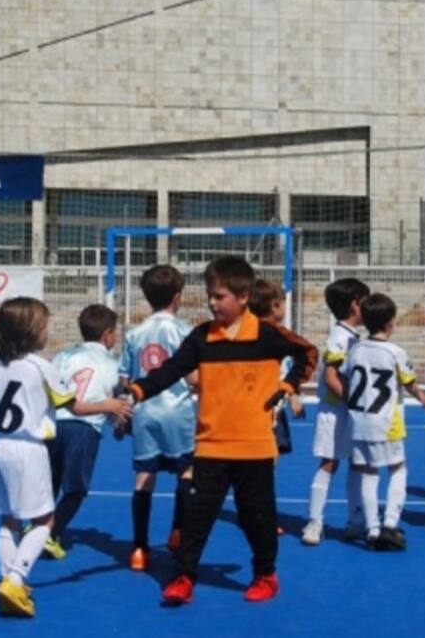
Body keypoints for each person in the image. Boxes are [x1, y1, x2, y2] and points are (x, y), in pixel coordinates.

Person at [129, 256, 315, 605]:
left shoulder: (268, 335)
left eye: (220, 297)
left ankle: (265, 574)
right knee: (197, 518)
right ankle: (184, 576)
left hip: (255, 447)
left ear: (243, 297)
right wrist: (138, 392)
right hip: (211, 445)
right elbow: (170, 371)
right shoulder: (201, 338)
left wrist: (290, 386)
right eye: (210, 296)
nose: (212, 303)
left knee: (256, 517)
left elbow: (308, 352)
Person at [0, 297, 76, 618]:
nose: (47, 331)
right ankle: (16, 578)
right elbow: (74, 406)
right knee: (45, 520)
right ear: (32, 332)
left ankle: (7, 580)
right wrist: (111, 406)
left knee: (8, 520)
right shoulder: (42, 368)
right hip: (29, 450)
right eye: (44, 325)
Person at [117, 264, 197, 572]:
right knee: (187, 472)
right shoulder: (185, 330)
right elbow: (192, 378)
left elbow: (125, 381)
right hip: (177, 411)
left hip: (145, 411)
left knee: (143, 478)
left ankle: (139, 549)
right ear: (178, 296)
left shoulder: (135, 333)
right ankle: (178, 531)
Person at [44, 304, 133, 559]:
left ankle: (38, 524)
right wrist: (119, 425)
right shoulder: (113, 363)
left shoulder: (64, 355)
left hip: (52, 424)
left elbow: (50, 383)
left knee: (50, 482)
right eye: (114, 332)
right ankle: (51, 532)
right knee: (76, 489)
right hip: (84, 428)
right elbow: (116, 399)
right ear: (107, 334)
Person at [344, 293, 425, 550]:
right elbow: (410, 383)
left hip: (358, 421)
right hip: (386, 422)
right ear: (391, 323)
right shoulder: (395, 352)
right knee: (398, 468)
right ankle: (391, 523)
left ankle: (371, 529)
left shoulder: (356, 350)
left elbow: (347, 378)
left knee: (368, 473)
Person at [302, 277, 370, 546]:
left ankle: (355, 520)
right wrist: (355, 404)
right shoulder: (339, 336)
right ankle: (314, 521)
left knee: (356, 463)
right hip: (334, 411)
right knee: (329, 462)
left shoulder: (354, 337)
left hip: (348, 410)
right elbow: (331, 378)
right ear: (355, 305)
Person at [249, 279, 319, 536]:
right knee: (267, 462)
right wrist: (290, 394)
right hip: (269, 407)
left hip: (261, 404)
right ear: (276, 305)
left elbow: (286, 372)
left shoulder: (251, 331)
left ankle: (257, 510)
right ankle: (261, 515)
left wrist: (293, 395)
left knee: (265, 461)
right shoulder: (276, 335)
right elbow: (304, 357)